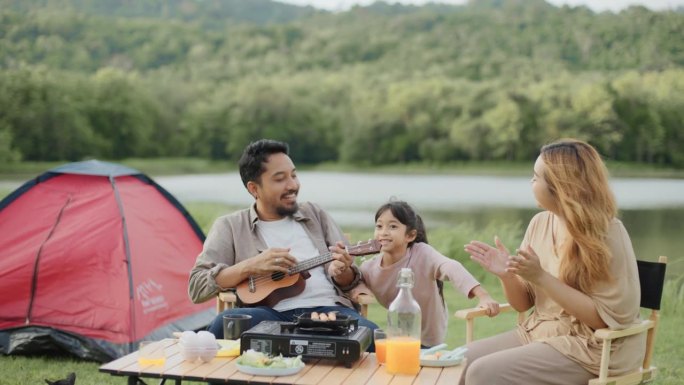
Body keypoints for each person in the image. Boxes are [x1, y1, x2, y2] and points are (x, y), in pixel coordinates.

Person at [461, 138, 645, 385]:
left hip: (594, 348)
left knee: (482, 373)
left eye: (536, 177)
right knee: (458, 362)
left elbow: (604, 319)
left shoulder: (608, 233)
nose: (531, 182)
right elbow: (523, 303)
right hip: (540, 332)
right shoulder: (540, 223)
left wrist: (541, 277)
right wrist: (506, 274)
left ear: (560, 187)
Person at [188, 139, 377, 342]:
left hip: (329, 314)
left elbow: (349, 282)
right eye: (280, 179)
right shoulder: (231, 226)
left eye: (293, 175)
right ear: (254, 189)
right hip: (268, 317)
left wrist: (343, 272)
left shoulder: (315, 214)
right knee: (225, 322)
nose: (293, 185)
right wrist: (250, 266)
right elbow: (197, 287)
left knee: (376, 337)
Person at [350, 199, 499, 348]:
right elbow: (355, 282)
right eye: (379, 226)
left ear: (410, 235)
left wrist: (483, 296)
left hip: (428, 341)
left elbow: (451, 267)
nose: (383, 232)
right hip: (398, 339)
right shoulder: (368, 268)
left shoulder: (422, 254)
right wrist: (359, 289)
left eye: (393, 226)